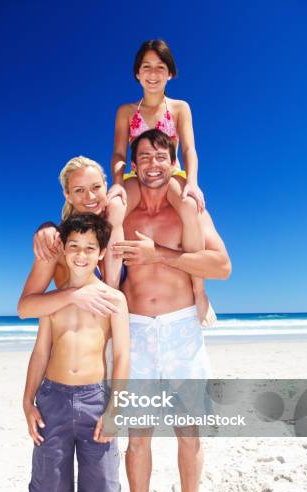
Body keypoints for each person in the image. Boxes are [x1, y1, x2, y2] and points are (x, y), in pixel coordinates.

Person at [111, 129, 231, 492]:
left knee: (189, 433)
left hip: (182, 330)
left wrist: (158, 253)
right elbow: (83, 233)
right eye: (144, 156)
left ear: (172, 161)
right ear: (135, 164)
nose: (153, 163)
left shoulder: (190, 210)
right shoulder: (122, 212)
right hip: (138, 331)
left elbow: (222, 265)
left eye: (161, 155)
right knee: (138, 436)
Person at [18, 214, 134, 492]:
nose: (81, 255)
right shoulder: (53, 299)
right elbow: (40, 352)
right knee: (50, 488)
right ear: (63, 253)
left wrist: (115, 407)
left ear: (101, 253)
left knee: (104, 485)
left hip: (94, 399)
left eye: (90, 249)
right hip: (52, 397)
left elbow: (121, 359)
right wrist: (27, 399)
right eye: (74, 248)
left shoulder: (114, 299)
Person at [108, 39, 215, 326]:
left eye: (160, 67)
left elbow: (189, 149)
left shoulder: (179, 107)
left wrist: (192, 182)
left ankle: (200, 291)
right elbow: (119, 152)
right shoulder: (126, 111)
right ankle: (110, 290)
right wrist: (118, 183)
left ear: (170, 74)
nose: (153, 74)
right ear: (137, 74)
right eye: (146, 67)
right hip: (136, 175)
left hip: (171, 175)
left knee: (191, 206)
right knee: (113, 210)